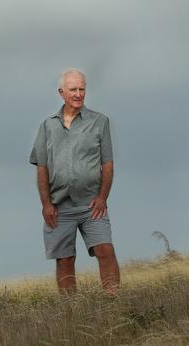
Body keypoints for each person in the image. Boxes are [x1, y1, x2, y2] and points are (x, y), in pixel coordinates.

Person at [29, 68, 120, 295]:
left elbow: (107, 165)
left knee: (105, 250)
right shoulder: (47, 126)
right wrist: (46, 205)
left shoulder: (100, 122)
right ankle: (71, 311)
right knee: (65, 259)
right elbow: (42, 169)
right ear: (62, 93)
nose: (78, 94)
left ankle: (114, 302)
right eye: (73, 90)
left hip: (92, 205)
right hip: (59, 207)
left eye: (82, 89)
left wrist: (102, 198)